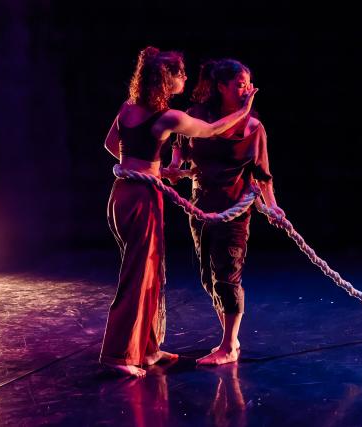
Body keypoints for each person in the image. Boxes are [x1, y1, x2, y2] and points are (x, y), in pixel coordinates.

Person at [101, 48, 258, 377]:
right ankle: (119, 355)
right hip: (141, 196)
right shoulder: (167, 117)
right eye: (180, 73)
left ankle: (145, 350)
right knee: (138, 274)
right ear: (164, 78)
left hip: (125, 192)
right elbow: (213, 130)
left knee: (151, 270)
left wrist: (148, 167)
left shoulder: (129, 108)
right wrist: (244, 109)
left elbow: (111, 143)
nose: (185, 78)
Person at [166, 59, 285, 365]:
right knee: (208, 278)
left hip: (234, 210)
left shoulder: (254, 128)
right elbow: (181, 150)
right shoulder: (196, 117)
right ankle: (230, 337)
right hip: (200, 206)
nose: (247, 89)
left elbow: (262, 174)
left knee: (227, 276)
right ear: (222, 87)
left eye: (248, 82)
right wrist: (175, 169)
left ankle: (229, 346)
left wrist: (272, 208)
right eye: (240, 84)